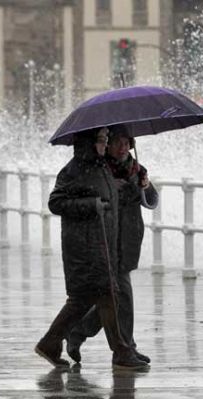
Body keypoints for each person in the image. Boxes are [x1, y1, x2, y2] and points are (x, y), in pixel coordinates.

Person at [35, 127, 148, 370]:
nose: (104, 144)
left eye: (105, 140)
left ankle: (53, 343)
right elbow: (56, 202)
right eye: (101, 140)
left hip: (102, 243)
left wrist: (135, 185)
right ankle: (121, 350)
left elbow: (115, 199)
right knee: (92, 297)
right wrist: (92, 204)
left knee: (99, 296)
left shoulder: (100, 167)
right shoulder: (75, 169)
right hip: (84, 246)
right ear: (88, 142)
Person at [65, 127, 158, 365]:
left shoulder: (136, 169)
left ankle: (78, 332)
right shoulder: (100, 170)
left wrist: (145, 186)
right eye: (118, 142)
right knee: (121, 293)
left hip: (128, 238)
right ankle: (125, 349)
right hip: (105, 238)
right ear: (107, 145)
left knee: (113, 298)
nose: (123, 148)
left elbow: (152, 201)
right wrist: (109, 190)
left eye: (127, 143)